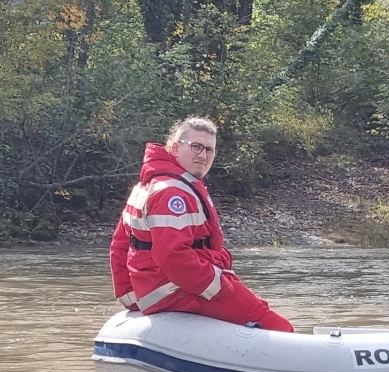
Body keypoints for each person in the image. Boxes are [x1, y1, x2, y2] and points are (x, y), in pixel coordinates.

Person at [109, 117, 294, 332]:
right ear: (175, 148)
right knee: (277, 325)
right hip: (176, 290)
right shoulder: (172, 193)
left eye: (209, 150)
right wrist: (220, 288)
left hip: (158, 288)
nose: (203, 155)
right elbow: (172, 256)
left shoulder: (148, 186)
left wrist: (131, 296)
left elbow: (119, 246)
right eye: (196, 146)